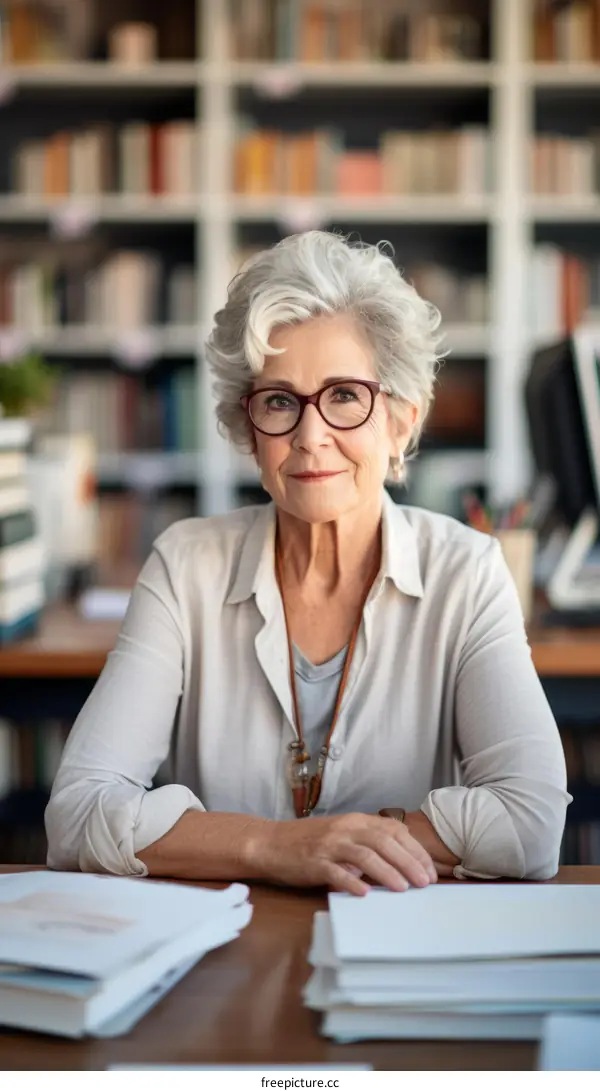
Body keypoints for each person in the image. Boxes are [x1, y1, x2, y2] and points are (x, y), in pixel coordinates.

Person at [45, 230, 570, 895]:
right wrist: (274, 844)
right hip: (224, 955)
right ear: (249, 428)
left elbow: (531, 822)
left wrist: (339, 843)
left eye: (345, 395)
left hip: (394, 950)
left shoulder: (468, 571)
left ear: (401, 420)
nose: (310, 435)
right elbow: (77, 812)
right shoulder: (185, 566)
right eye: (279, 401)